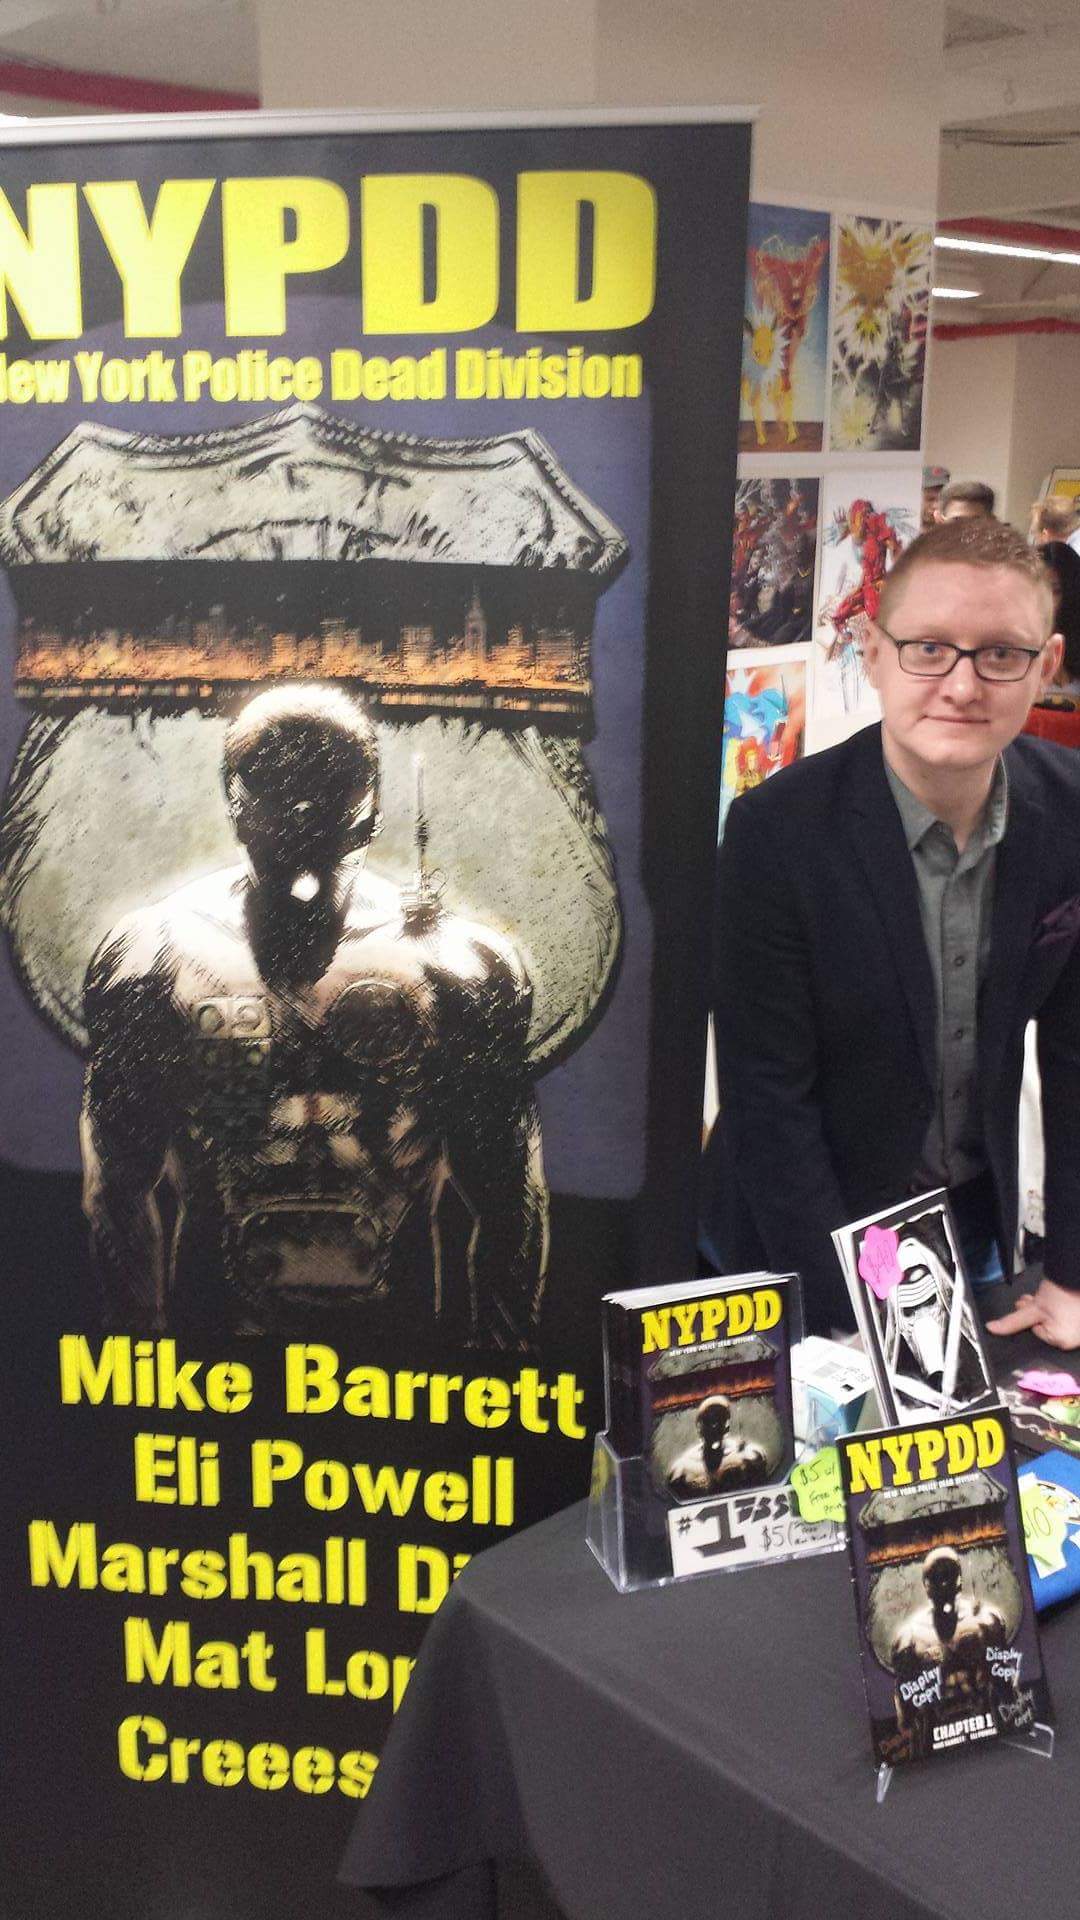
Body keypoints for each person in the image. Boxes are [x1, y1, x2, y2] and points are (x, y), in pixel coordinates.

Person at [704, 516, 1080, 1349]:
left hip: (968, 1227)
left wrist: (1071, 1272)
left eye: (1001, 653)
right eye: (928, 648)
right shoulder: (777, 833)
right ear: (873, 652)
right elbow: (770, 1100)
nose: (962, 685)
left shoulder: (1071, 811)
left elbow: (1076, 1055)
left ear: (1046, 664)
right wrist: (852, 1319)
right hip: (801, 1232)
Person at [81, 684, 549, 1346]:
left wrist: (504, 1364)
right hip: (214, 1340)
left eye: (327, 786)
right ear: (235, 806)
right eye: (278, 785)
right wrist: (135, 1356)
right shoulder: (155, 956)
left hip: (394, 1349)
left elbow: (509, 1202)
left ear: (372, 809)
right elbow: (118, 1188)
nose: (303, 814)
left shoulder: (459, 967)